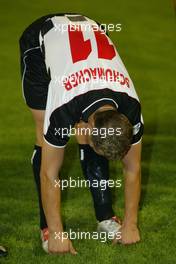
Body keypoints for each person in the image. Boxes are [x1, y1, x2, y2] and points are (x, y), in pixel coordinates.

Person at [19, 13, 144, 254]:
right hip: (40, 41)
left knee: (91, 139)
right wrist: (57, 233)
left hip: (88, 37)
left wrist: (131, 225)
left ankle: (105, 216)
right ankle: (46, 227)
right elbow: (49, 173)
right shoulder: (62, 110)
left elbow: (133, 168)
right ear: (86, 125)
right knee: (43, 135)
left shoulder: (131, 107)